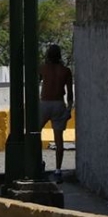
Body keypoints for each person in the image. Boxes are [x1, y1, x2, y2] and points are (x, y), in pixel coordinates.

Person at [39, 44, 74, 183]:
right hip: (59, 103)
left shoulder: (42, 68)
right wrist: (69, 109)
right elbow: (70, 94)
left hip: (45, 103)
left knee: (35, 133)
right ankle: (58, 170)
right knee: (59, 139)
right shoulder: (65, 71)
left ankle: (38, 162)